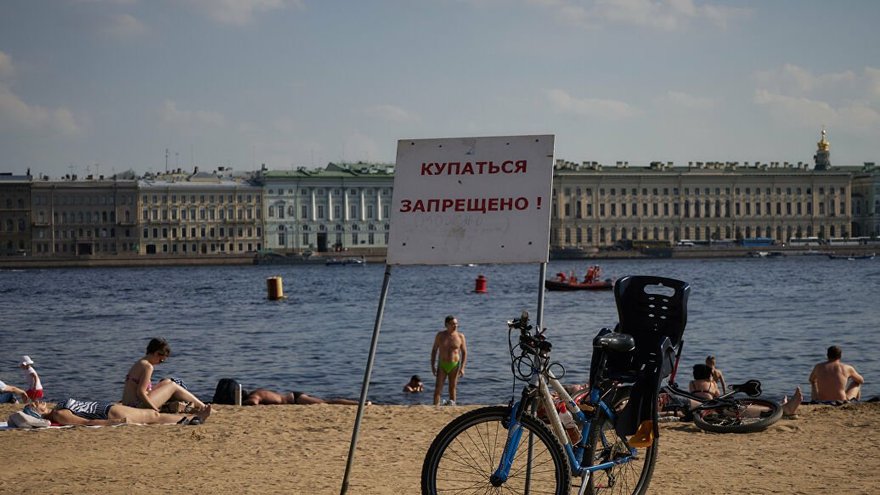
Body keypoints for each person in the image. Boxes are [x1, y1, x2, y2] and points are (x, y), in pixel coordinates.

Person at [121, 337, 206, 412]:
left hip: (129, 405)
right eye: (161, 360)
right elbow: (140, 392)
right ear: (156, 353)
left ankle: (195, 405)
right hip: (136, 406)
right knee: (173, 385)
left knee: (167, 381)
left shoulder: (140, 363)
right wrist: (155, 409)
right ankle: (203, 407)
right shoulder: (148, 366)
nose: (159, 363)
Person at [27, 399, 211, 426]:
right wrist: (117, 422)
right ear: (39, 414)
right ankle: (193, 419)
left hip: (109, 407)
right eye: (34, 405)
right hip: (109, 414)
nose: (36, 401)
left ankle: (191, 419)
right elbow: (86, 423)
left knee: (152, 415)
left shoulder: (57, 407)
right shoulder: (59, 415)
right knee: (152, 416)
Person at [431, 315, 467, 406]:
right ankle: (435, 406)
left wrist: (462, 367)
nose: (455, 326)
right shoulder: (440, 335)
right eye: (453, 324)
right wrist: (432, 365)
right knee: (438, 388)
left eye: (456, 324)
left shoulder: (460, 336)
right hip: (442, 364)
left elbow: (464, 352)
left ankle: (452, 406)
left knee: (452, 388)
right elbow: (434, 350)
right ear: (446, 325)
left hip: (454, 365)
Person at [242, 388, 364, 406]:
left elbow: (253, 402)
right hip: (292, 398)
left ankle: (359, 404)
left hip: (295, 399)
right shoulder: (257, 391)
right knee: (326, 402)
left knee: (327, 402)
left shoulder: (255, 395)